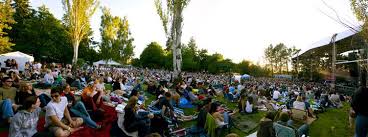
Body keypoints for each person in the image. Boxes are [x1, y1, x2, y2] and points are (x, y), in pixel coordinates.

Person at [351, 70, 368, 137]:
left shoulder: (360, 91)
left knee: (359, 135)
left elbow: (353, 109)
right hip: (362, 116)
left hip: (362, 117)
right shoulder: (360, 91)